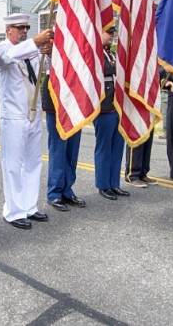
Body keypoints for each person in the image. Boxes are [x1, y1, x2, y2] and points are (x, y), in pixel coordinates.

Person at [0, 13, 53, 229]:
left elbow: (47, 70)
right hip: (13, 116)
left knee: (33, 162)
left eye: (27, 27)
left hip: (33, 114)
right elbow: (7, 58)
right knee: (12, 164)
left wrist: (48, 52)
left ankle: (29, 206)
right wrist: (36, 42)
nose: (24, 31)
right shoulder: (2, 48)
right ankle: (13, 210)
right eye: (19, 27)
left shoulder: (32, 51)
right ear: (8, 29)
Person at [93, 27, 130, 200]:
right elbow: (103, 69)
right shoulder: (95, 53)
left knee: (117, 148)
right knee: (104, 147)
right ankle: (103, 184)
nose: (112, 36)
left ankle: (114, 183)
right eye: (108, 33)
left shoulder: (111, 54)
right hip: (104, 107)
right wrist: (117, 66)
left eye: (113, 33)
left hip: (117, 106)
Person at [42, 70, 86, 211]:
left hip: (75, 97)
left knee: (72, 150)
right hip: (57, 95)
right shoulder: (50, 48)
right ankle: (54, 193)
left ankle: (67, 190)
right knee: (58, 149)